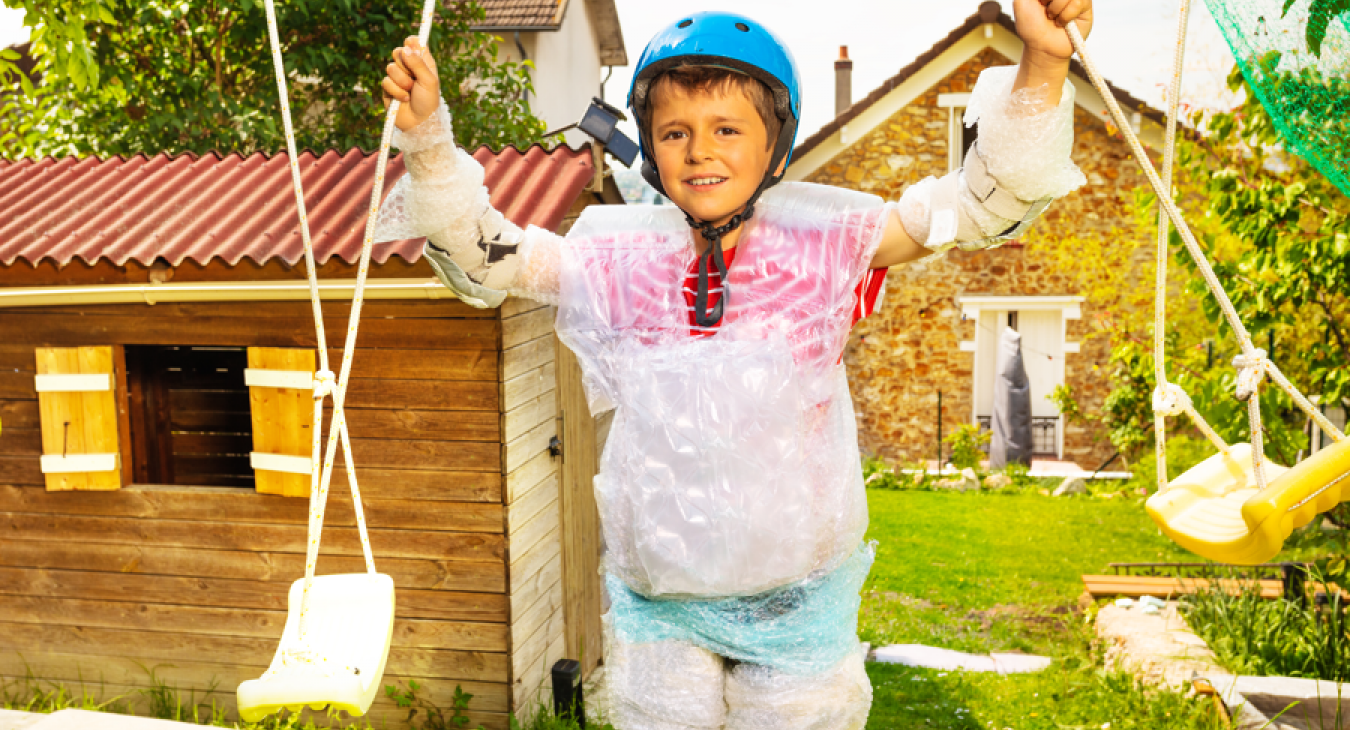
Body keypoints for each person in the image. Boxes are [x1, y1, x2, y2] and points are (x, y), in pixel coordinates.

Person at [375, 1, 1092, 726]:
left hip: (795, 606)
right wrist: (428, 140)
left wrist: (1044, 61)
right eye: (675, 133)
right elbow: (482, 254)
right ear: (651, 151)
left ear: (774, 147)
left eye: (727, 129)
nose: (700, 151)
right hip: (662, 614)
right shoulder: (619, 262)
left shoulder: (827, 246)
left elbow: (981, 202)